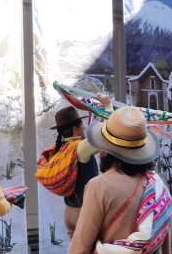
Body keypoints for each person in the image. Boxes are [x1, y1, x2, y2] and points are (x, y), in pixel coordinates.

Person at [68, 106, 172, 254]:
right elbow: (170, 247)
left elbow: (80, 246)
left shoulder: (99, 186)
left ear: (106, 150)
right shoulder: (158, 187)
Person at [37, 94, 112, 238]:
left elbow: (97, 133)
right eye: (82, 126)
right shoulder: (79, 148)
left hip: (70, 213)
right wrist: (108, 107)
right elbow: (103, 136)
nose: (84, 129)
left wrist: (102, 113)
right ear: (75, 128)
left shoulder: (60, 149)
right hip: (83, 212)